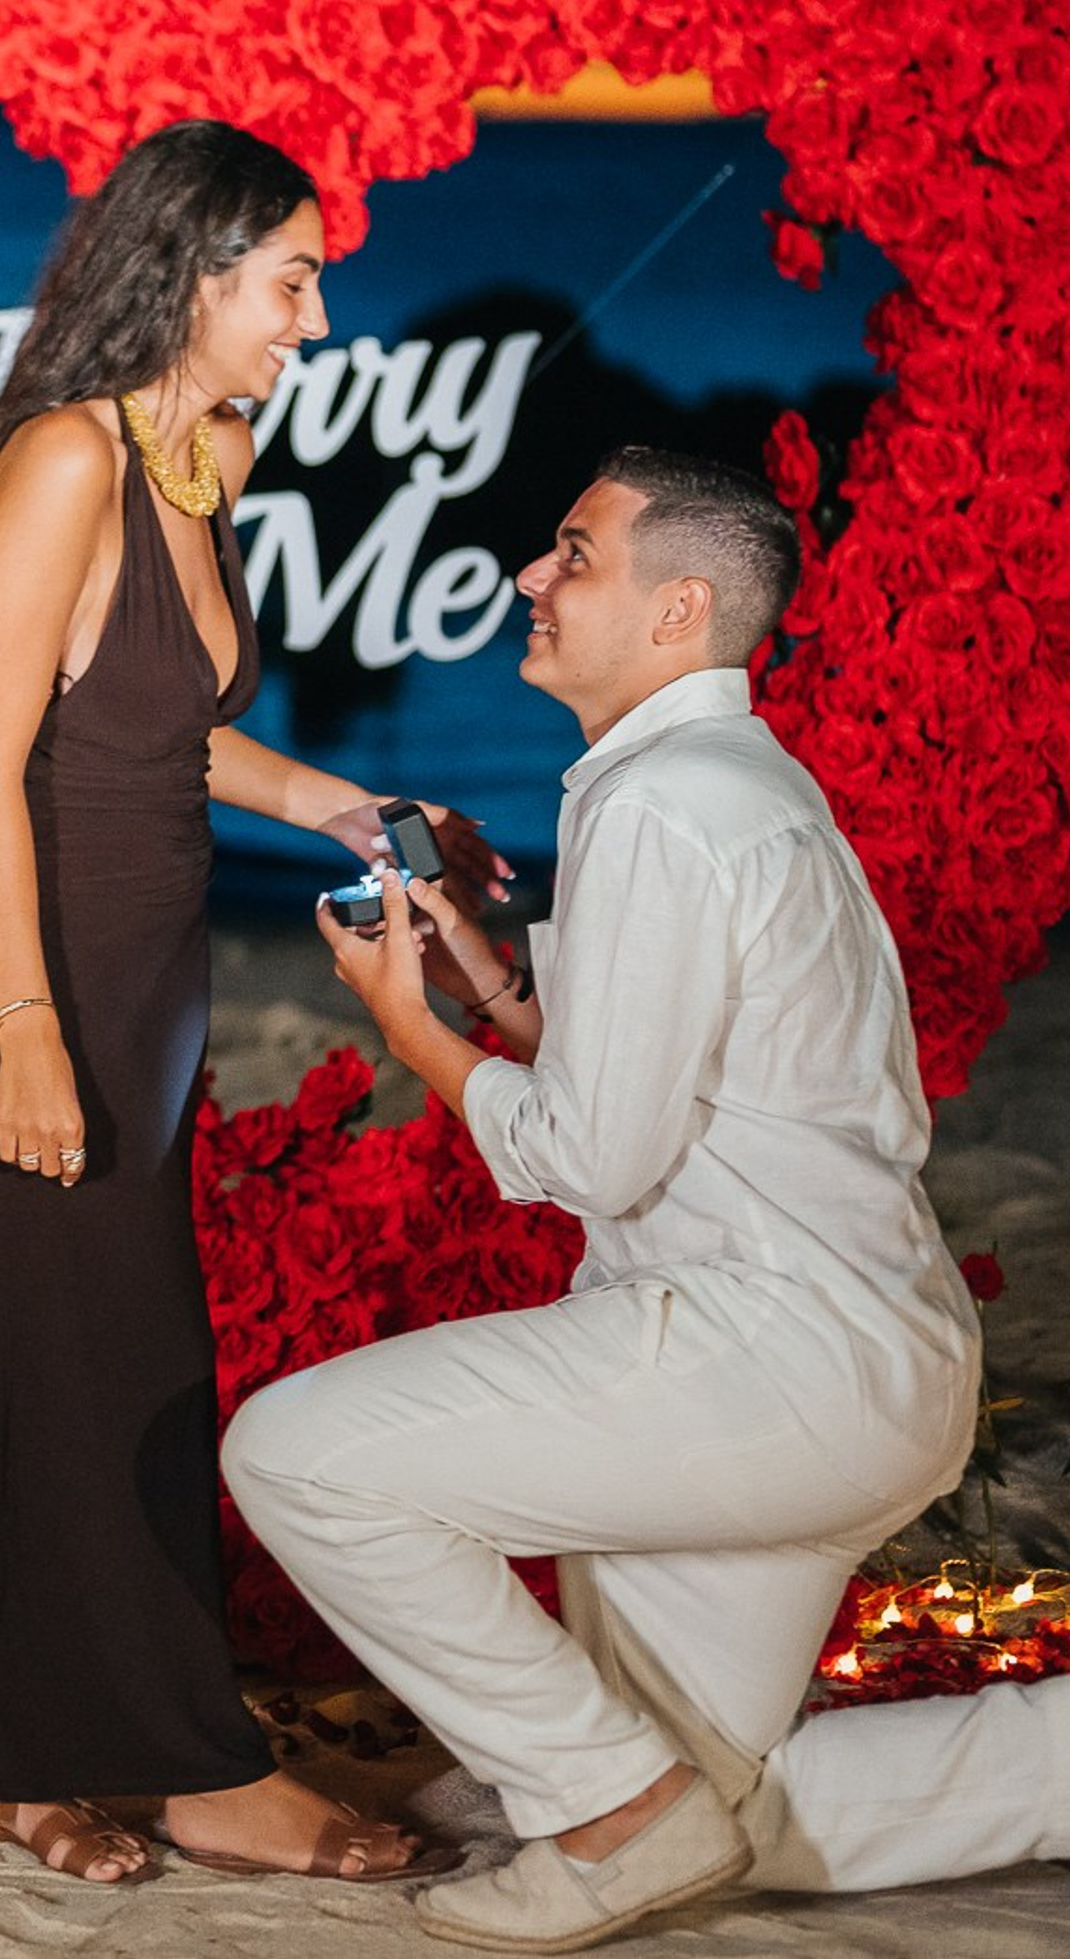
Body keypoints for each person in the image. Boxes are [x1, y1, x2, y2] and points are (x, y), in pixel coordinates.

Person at [227, 447, 1069, 1952]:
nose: (532, 580)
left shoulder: (667, 806)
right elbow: (642, 1086)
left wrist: (409, 1028)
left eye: (573, 554)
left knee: (295, 1455)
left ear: (680, 610)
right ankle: (672, 1810)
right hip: (851, 1361)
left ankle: (610, 1820)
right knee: (726, 1817)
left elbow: (603, 1158)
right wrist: (483, 962)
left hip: (771, 1356)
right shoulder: (727, 782)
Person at [0, 118, 489, 1886]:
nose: (314, 314)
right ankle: (88, 1760)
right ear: (193, 272)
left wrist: (343, 807)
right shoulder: (65, 458)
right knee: (45, 1355)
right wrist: (26, 1033)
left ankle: (73, 1738)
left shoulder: (204, 448)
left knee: (109, 1352)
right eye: (290, 277)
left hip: (141, 966)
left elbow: (157, 727)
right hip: (26, 967)